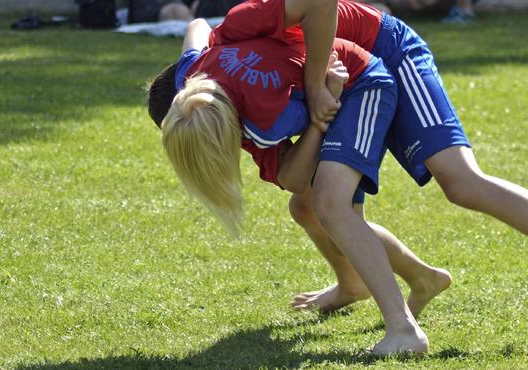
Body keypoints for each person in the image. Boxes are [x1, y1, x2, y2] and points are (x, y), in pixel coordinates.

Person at [205, 0, 528, 342]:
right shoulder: (212, 83)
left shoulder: (233, 30)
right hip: (350, 82)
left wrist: (317, 85)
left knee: (461, 182)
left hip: (387, 52)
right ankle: (398, 280)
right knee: (310, 206)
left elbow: (310, 3)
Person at [150, 2, 440, 353]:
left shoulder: (262, 118)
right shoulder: (195, 76)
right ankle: (418, 277)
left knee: (331, 208)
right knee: (306, 208)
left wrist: (319, 87)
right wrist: (320, 115)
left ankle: (404, 330)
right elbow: (195, 25)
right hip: (335, 92)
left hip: (363, 82)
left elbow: (295, 174)